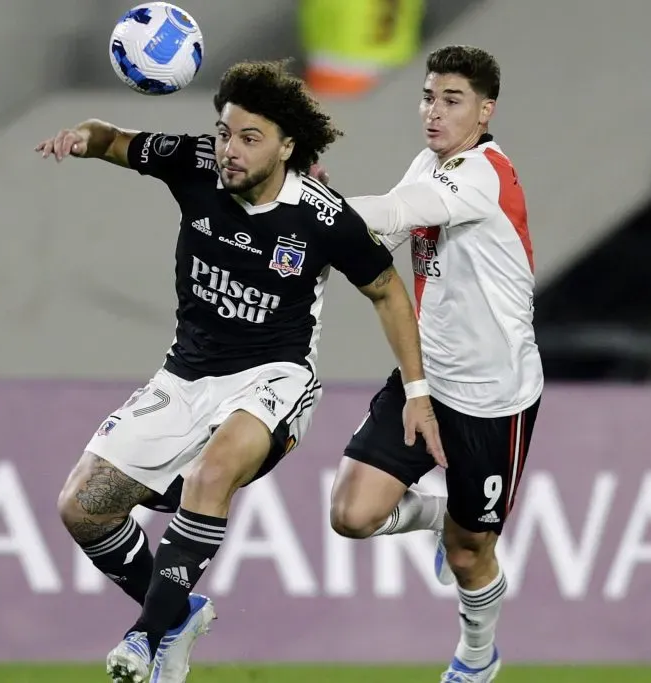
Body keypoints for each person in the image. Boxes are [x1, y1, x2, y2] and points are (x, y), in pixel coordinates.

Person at [36, 59, 444, 683]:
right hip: (183, 377)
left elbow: (388, 291)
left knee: (212, 472)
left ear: (287, 147)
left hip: (274, 377)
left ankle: (144, 640)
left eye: (249, 138)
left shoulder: (322, 217)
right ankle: (177, 615)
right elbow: (111, 138)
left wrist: (417, 392)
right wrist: (81, 139)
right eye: (225, 132)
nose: (229, 149)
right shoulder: (194, 164)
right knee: (81, 508)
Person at [322, 45, 543, 682]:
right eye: (428, 96)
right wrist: (321, 208)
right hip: (428, 381)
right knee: (351, 516)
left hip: (494, 399)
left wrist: (304, 206)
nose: (433, 111)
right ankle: (435, 518)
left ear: (484, 110)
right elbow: (382, 233)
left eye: (451, 100)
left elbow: (391, 213)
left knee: (471, 554)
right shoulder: (430, 163)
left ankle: (478, 656)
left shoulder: (482, 174)